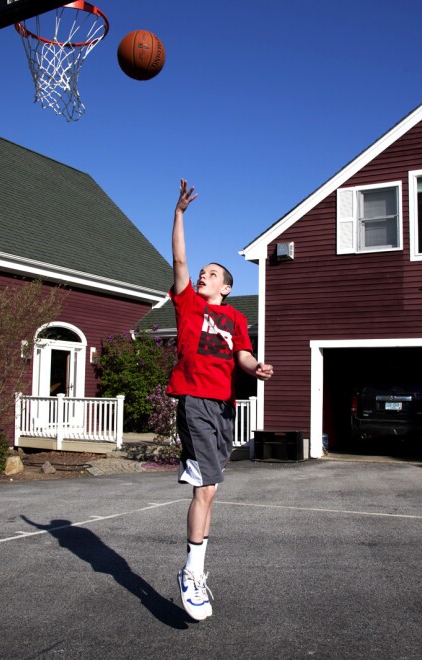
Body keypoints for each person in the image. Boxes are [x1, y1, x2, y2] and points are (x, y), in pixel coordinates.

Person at [169, 179, 274, 620]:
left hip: (222, 406)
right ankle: (192, 574)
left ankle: (195, 571)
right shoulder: (189, 303)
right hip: (194, 400)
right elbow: (179, 259)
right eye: (202, 273)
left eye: (211, 273)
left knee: (210, 491)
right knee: (206, 487)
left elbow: (243, 356)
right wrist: (178, 214)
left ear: (226, 287)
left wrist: (255, 368)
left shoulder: (234, 316)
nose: (202, 275)